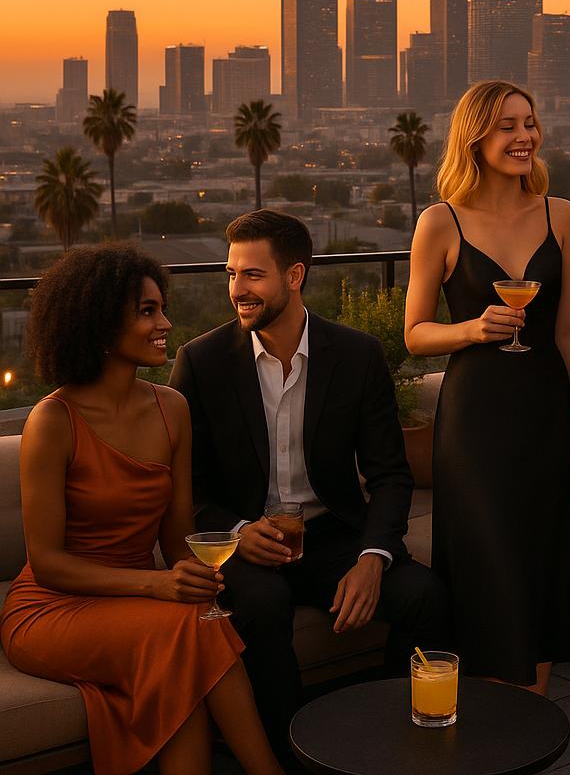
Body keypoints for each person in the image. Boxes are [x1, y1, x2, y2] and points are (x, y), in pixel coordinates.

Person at [168, 210, 447, 755]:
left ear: (294, 277)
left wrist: (372, 558)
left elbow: (390, 474)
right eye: (231, 274)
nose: (237, 290)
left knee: (426, 596)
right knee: (263, 607)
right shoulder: (199, 362)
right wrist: (239, 531)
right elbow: (188, 487)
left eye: (252, 275)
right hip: (247, 546)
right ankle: (294, 757)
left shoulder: (357, 355)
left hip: (332, 536)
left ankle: (391, 744)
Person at [0, 245, 281, 775]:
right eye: (147, 311)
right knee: (189, 633)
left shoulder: (172, 409)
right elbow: (49, 562)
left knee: (189, 643)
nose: (166, 323)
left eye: (162, 308)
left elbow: (177, 543)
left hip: (136, 601)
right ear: (100, 323)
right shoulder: (51, 421)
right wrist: (157, 586)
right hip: (51, 607)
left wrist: (202, 572)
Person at [404, 80, 570, 694]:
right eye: (508, 126)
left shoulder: (560, 215)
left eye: (530, 123)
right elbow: (414, 333)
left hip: (545, 419)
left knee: (541, 559)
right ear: (476, 137)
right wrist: (471, 328)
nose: (524, 137)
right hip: (474, 425)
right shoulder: (440, 223)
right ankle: (482, 706)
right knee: (487, 563)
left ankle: (532, 713)